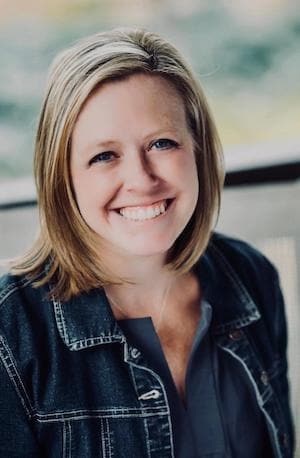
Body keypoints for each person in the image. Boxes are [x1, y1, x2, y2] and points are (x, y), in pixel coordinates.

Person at [0, 28, 294, 458]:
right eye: (104, 156)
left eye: (161, 143)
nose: (141, 179)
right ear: (63, 176)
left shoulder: (252, 276)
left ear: (197, 149)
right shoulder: (11, 331)